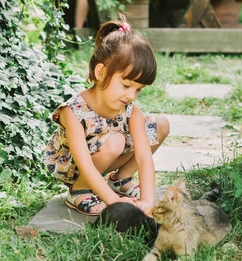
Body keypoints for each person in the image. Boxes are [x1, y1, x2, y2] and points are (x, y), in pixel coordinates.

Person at [44, 18, 170, 216]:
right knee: (117, 141)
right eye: (126, 85)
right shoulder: (73, 111)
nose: (131, 95)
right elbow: (84, 162)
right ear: (101, 72)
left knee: (159, 125)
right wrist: (116, 203)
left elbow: (144, 157)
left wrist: (147, 200)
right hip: (75, 167)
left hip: (108, 153)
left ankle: (121, 179)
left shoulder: (130, 109)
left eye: (138, 90)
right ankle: (79, 192)